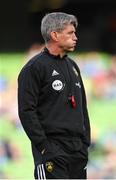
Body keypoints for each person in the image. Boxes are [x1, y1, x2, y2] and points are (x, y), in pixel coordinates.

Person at [18, 12, 91, 179]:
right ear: (55, 35)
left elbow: (82, 108)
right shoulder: (34, 68)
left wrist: (85, 143)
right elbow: (26, 111)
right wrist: (44, 146)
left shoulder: (73, 66)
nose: (75, 37)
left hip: (77, 151)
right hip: (52, 149)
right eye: (70, 33)